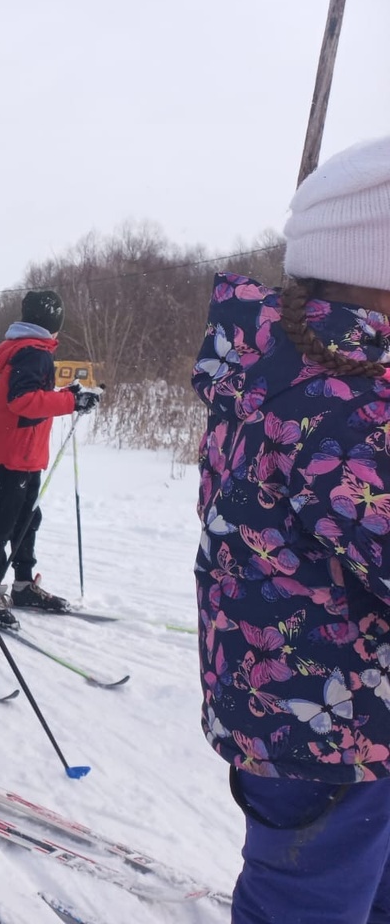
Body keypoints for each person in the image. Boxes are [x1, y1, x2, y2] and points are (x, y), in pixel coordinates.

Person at [193, 136, 390, 924]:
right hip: (334, 729)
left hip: (296, 706)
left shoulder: (274, 364)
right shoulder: (347, 401)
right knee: (312, 903)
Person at [0, 290, 97, 624]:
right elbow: (23, 401)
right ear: (53, 324)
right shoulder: (34, 353)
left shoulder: (27, 348)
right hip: (14, 454)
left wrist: (65, 396)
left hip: (21, 453)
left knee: (27, 519)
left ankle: (23, 585)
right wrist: (70, 403)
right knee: (3, 523)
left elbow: (30, 397)